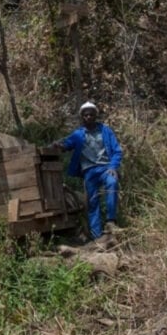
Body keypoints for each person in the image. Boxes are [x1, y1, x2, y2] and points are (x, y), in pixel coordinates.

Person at [51, 101, 123, 243]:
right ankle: (97, 236)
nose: (88, 117)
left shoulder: (105, 131)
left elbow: (117, 151)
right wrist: (58, 146)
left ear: (96, 115)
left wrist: (113, 166)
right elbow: (66, 145)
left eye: (91, 114)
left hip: (105, 168)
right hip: (89, 171)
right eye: (85, 115)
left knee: (112, 183)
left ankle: (111, 222)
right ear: (82, 117)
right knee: (92, 202)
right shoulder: (78, 134)